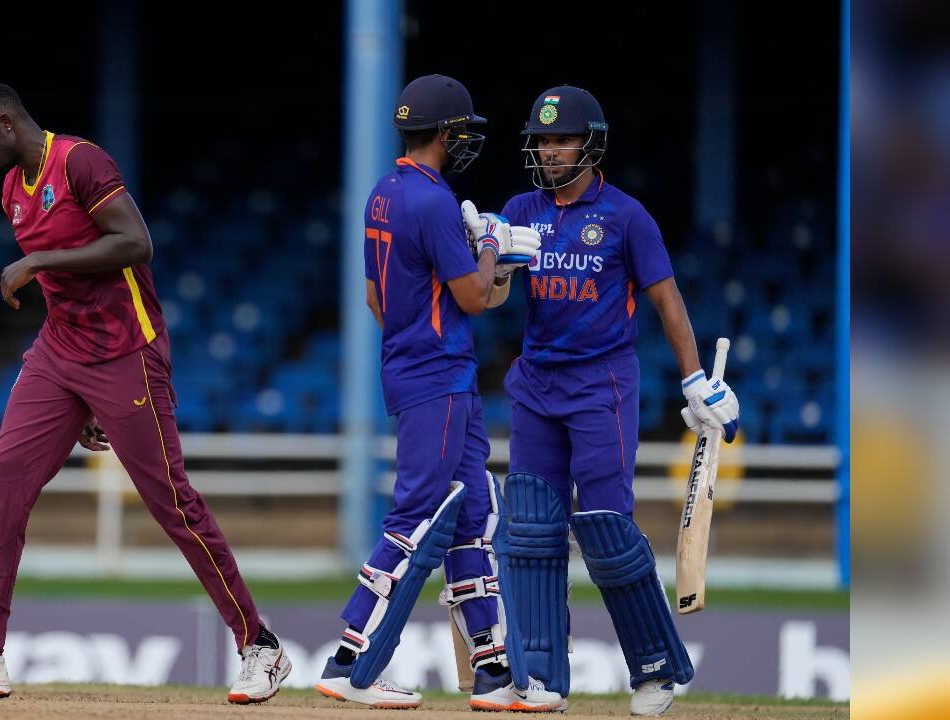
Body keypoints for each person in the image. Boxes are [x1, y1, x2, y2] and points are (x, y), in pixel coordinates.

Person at [0, 82, 289, 704]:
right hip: (61, 353)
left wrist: (39, 261)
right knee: (1, 482)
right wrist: (75, 402)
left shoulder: (80, 161)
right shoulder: (11, 189)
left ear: (6, 122)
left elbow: (136, 243)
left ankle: (259, 645)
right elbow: (69, 287)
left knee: (172, 502)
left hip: (127, 352)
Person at [465, 85, 741, 716]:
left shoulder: (625, 217)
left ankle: (654, 669)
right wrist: (494, 258)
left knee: (606, 529)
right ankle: (538, 678)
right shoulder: (520, 209)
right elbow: (492, 299)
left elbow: (667, 299)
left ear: (590, 146)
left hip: (602, 386)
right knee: (530, 528)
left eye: (561, 140)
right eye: (542, 140)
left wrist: (694, 380)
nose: (549, 151)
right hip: (537, 383)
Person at [313, 74, 556, 711]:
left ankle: (494, 671)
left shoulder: (382, 193)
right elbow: (473, 297)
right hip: (439, 376)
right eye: (462, 130)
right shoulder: (434, 201)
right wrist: (492, 250)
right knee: (417, 513)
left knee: (474, 515)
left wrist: (453, 285)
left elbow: (376, 298)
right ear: (445, 133)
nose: (467, 139)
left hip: (423, 370)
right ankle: (349, 663)